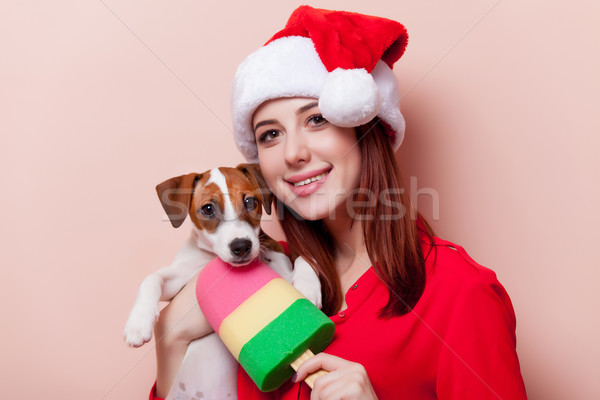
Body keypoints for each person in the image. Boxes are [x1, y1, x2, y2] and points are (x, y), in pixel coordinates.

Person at [151, 6, 527, 400]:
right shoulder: (253, 273)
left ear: (366, 128)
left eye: (315, 120)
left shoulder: (459, 292)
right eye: (270, 134)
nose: (293, 153)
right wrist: (170, 331)